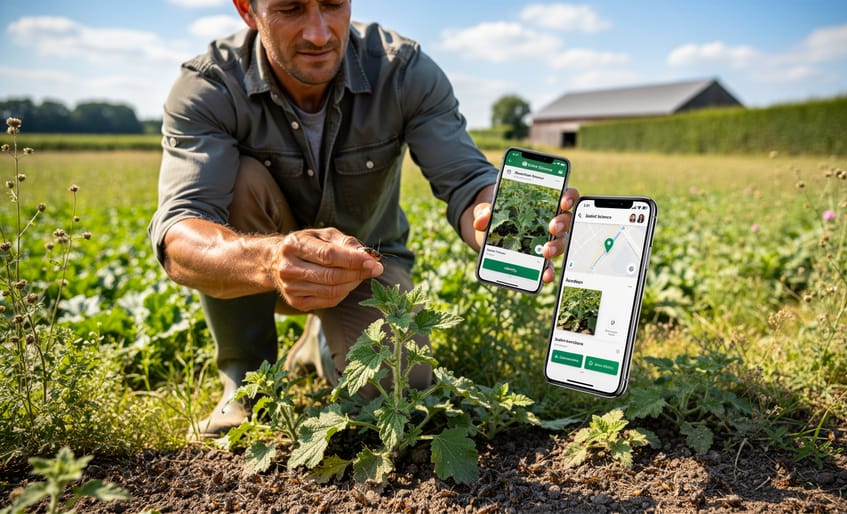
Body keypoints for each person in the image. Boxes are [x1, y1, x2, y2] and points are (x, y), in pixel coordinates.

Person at [149, 0, 579, 439]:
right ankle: (245, 387)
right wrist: (273, 257)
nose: (319, 33)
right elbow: (181, 233)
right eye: (292, 9)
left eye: (333, 4)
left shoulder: (402, 70)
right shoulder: (210, 85)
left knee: (396, 386)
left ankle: (319, 345)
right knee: (240, 180)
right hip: (258, 268)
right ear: (247, 10)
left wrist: (488, 211)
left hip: (366, 266)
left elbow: (466, 179)